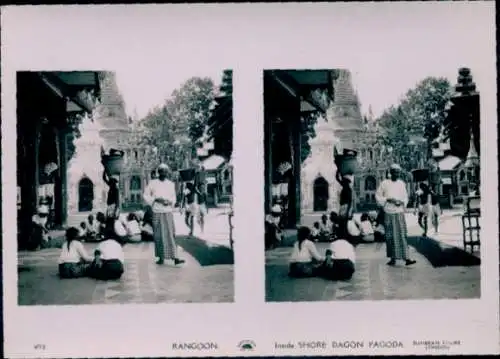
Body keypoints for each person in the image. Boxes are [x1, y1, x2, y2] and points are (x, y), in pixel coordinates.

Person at [143, 163, 185, 265]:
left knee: (170, 234)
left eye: (166, 171)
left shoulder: (171, 184)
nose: (164, 173)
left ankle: (175, 258)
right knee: (158, 236)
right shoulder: (152, 183)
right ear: (159, 172)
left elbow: (173, 197)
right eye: (162, 171)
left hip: (167, 211)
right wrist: (155, 199)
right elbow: (145, 195)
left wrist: (169, 202)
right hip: (157, 211)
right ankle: (161, 258)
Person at [375, 164, 416, 266]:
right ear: (391, 172)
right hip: (388, 212)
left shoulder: (401, 183)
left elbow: (405, 197)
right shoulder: (384, 183)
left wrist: (401, 202)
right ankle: (393, 259)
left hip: (399, 212)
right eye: (395, 172)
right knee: (390, 237)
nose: (397, 174)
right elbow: (378, 196)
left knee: (402, 235)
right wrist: (388, 199)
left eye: (398, 172)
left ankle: (407, 258)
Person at [335, 170, 355, 238]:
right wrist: (339, 171)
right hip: (344, 206)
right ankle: (343, 234)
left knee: (343, 221)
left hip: (345, 206)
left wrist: (338, 171)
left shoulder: (347, 189)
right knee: (342, 221)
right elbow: (337, 178)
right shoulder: (346, 188)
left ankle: (343, 234)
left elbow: (349, 200)